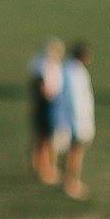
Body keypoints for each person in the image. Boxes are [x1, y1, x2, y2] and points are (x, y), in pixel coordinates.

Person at [53, 43, 96, 199]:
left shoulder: (69, 69)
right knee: (75, 153)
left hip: (69, 120)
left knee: (69, 152)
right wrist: (79, 124)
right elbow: (75, 100)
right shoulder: (74, 73)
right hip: (75, 121)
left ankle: (66, 180)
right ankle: (71, 183)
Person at [29, 40, 64, 185]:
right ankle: (44, 167)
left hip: (51, 104)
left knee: (45, 137)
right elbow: (44, 89)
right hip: (47, 105)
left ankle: (43, 165)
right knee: (45, 138)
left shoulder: (50, 66)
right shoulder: (43, 67)